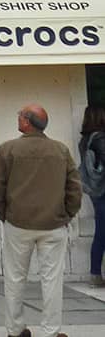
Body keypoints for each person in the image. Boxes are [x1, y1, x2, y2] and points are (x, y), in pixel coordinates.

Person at [0, 104, 82, 337]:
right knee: (52, 280)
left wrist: (4, 214)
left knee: (14, 278)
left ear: (26, 122)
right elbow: (74, 188)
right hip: (53, 224)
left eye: (20, 115)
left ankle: (15, 328)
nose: (18, 118)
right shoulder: (60, 150)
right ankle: (51, 331)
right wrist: (67, 214)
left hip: (18, 223)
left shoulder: (7, 150)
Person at [78, 105, 105, 286]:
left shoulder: (85, 140)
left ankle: (95, 274)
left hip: (95, 190)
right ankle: (95, 274)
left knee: (101, 231)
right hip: (104, 188)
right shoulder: (100, 138)